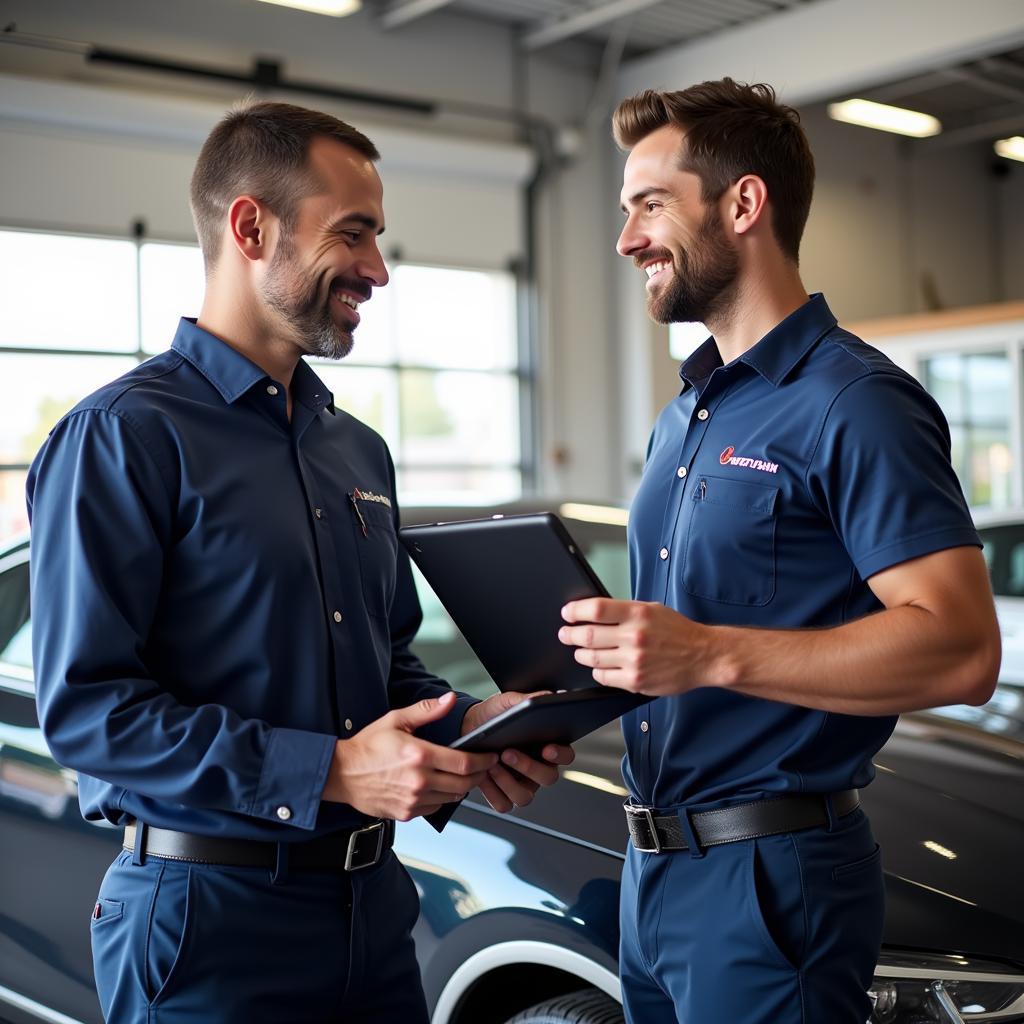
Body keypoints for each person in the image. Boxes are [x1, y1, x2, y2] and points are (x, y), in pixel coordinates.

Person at [27, 100, 572, 1024]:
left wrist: (470, 733)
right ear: (251, 226)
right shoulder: (121, 438)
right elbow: (87, 713)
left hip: (372, 914)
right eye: (351, 234)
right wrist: (329, 772)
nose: (378, 269)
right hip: (206, 926)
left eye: (378, 237)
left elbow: (385, 667)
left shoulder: (355, 451)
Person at [558, 79, 1001, 1024]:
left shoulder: (856, 403)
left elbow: (963, 650)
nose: (628, 238)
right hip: (650, 870)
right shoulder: (687, 415)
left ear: (744, 204)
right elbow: (673, 654)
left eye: (649, 206)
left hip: (770, 880)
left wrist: (710, 651)